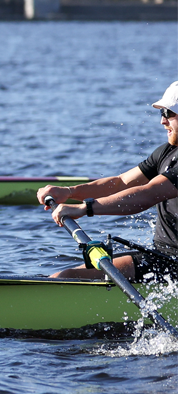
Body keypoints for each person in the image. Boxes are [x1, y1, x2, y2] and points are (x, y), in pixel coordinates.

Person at [38, 80, 178, 281]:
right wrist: (69, 192)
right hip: (163, 258)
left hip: (172, 264)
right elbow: (121, 183)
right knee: (63, 276)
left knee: (66, 277)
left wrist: (84, 209)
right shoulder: (167, 152)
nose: (162, 121)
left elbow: (148, 194)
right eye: (162, 113)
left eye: (168, 113)